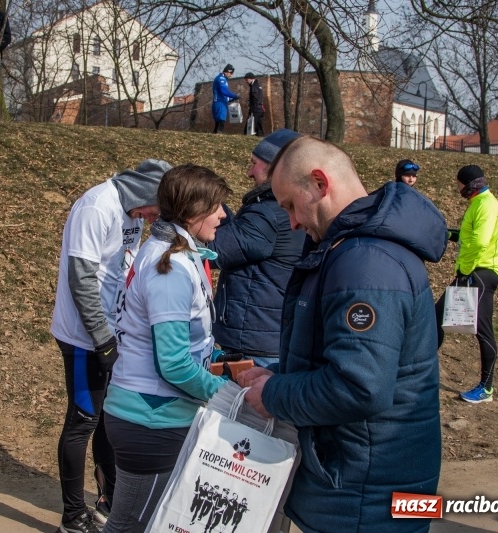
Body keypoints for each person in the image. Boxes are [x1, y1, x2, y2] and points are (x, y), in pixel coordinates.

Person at [238, 136, 447, 532]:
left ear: (319, 183)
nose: (293, 223)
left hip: (364, 497)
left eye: (289, 206)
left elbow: (358, 386)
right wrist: (279, 376)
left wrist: (274, 395)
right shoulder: (355, 252)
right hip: (364, 484)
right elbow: (340, 359)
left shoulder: (366, 263)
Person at [102, 164, 232, 533]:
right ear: (192, 212)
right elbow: (173, 364)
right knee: (129, 525)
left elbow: (178, 341)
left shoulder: (171, 253)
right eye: (217, 206)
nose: (223, 215)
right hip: (151, 419)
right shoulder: (171, 267)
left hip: (152, 415)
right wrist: (227, 395)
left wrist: (219, 359)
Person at [51, 159, 172, 533]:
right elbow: (81, 279)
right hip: (82, 336)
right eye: (155, 208)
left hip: (112, 332)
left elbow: (127, 266)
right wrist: (102, 340)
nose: (153, 218)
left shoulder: (133, 212)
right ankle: (73, 516)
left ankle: (110, 503)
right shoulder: (96, 206)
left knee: (109, 422)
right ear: (143, 194)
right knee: (83, 421)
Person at [207, 129, 308, 368]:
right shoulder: (285, 210)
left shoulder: (268, 215)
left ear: (276, 169)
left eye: (254, 164)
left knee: (246, 405)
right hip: (271, 335)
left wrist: (197, 203)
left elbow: (213, 250)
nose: (249, 172)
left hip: (255, 343)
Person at [436, 164, 498, 403]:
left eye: (459, 185)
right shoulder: (478, 203)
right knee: (437, 316)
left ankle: (486, 388)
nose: (458, 189)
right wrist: (449, 233)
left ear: (469, 184)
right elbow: (469, 235)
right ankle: (418, 371)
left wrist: (464, 271)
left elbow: (479, 241)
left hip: (481, 273)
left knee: (483, 330)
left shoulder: (486, 205)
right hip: (473, 273)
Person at [211, 64, 239, 134]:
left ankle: (215, 136)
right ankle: (218, 135)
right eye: (231, 73)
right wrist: (234, 96)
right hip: (219, 103)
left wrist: (230, 99)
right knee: (221, 121)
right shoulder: (221, 79)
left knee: (219, 122)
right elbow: (223, 91)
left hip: (221, 102)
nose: (231, 75)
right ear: (227, 71)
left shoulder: (222, 79)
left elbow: (222, 93)